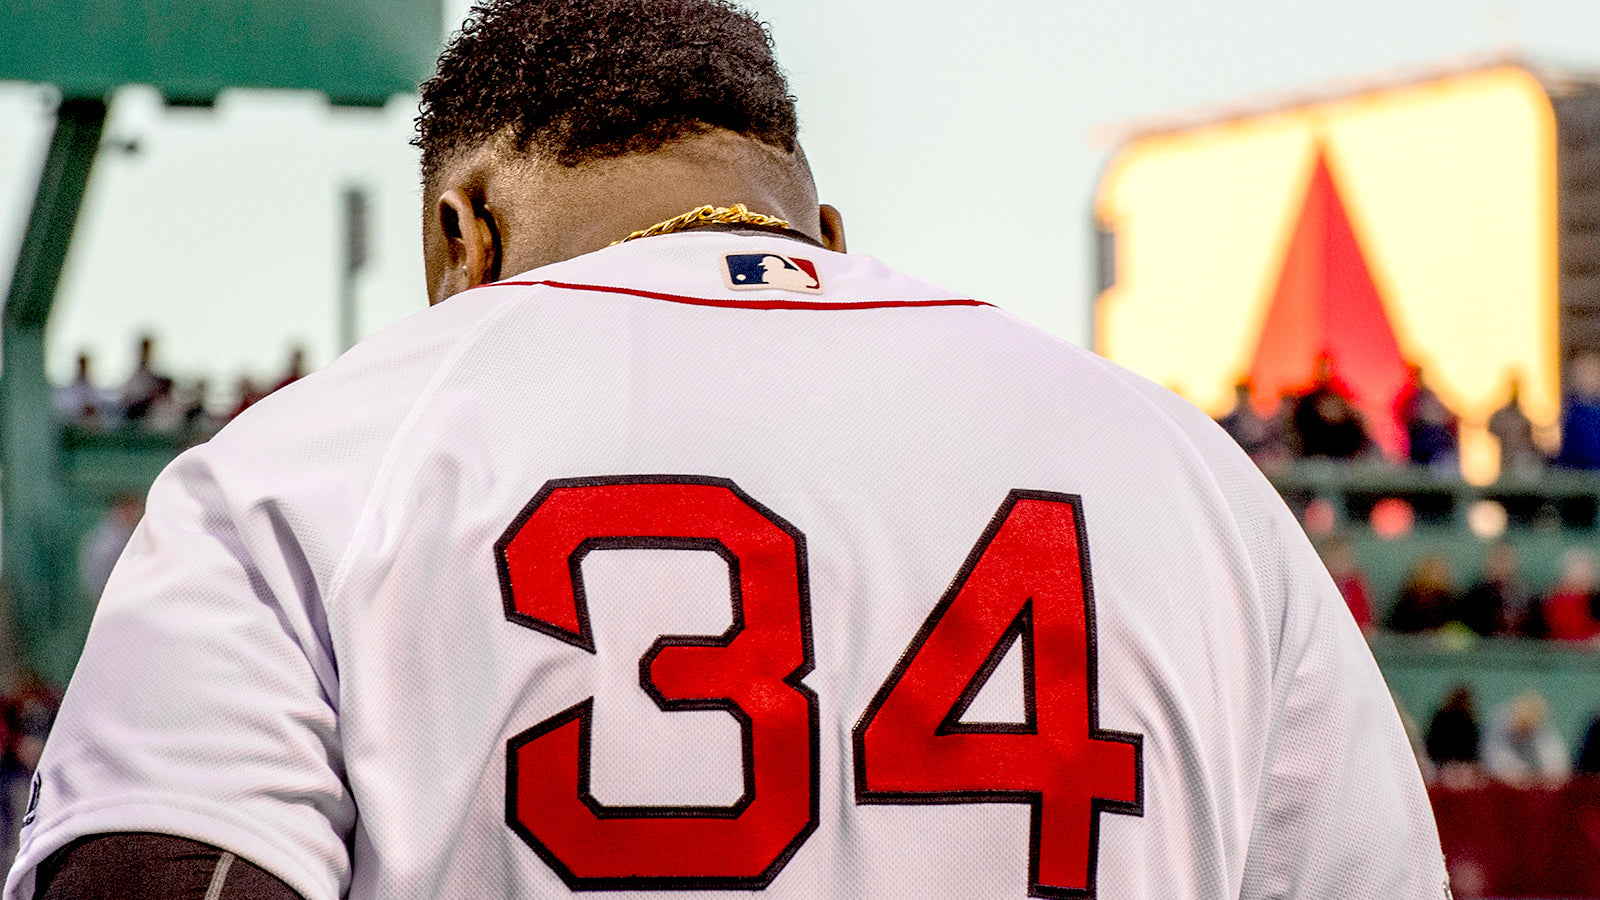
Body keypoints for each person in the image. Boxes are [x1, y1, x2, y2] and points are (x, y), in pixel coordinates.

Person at [4, 2, 1447, 898]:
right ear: (820, 230)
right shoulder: (1188, 474)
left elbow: (159, 879)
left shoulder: (297, 469)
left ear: (464, 231)